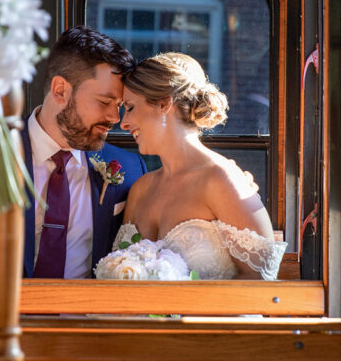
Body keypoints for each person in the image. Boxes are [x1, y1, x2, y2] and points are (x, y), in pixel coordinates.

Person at [0, 26, 147, 312]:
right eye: (104, 102)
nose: (114, 117)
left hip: (86, 338)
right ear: (61, 90)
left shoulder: (130, 169)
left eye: (120, 105)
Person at [115, 52, 286, 280]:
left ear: (164, 103)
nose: (124, 123)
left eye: (131, 107)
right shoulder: (140, 190)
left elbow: (261, 284)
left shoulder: (222, 179)